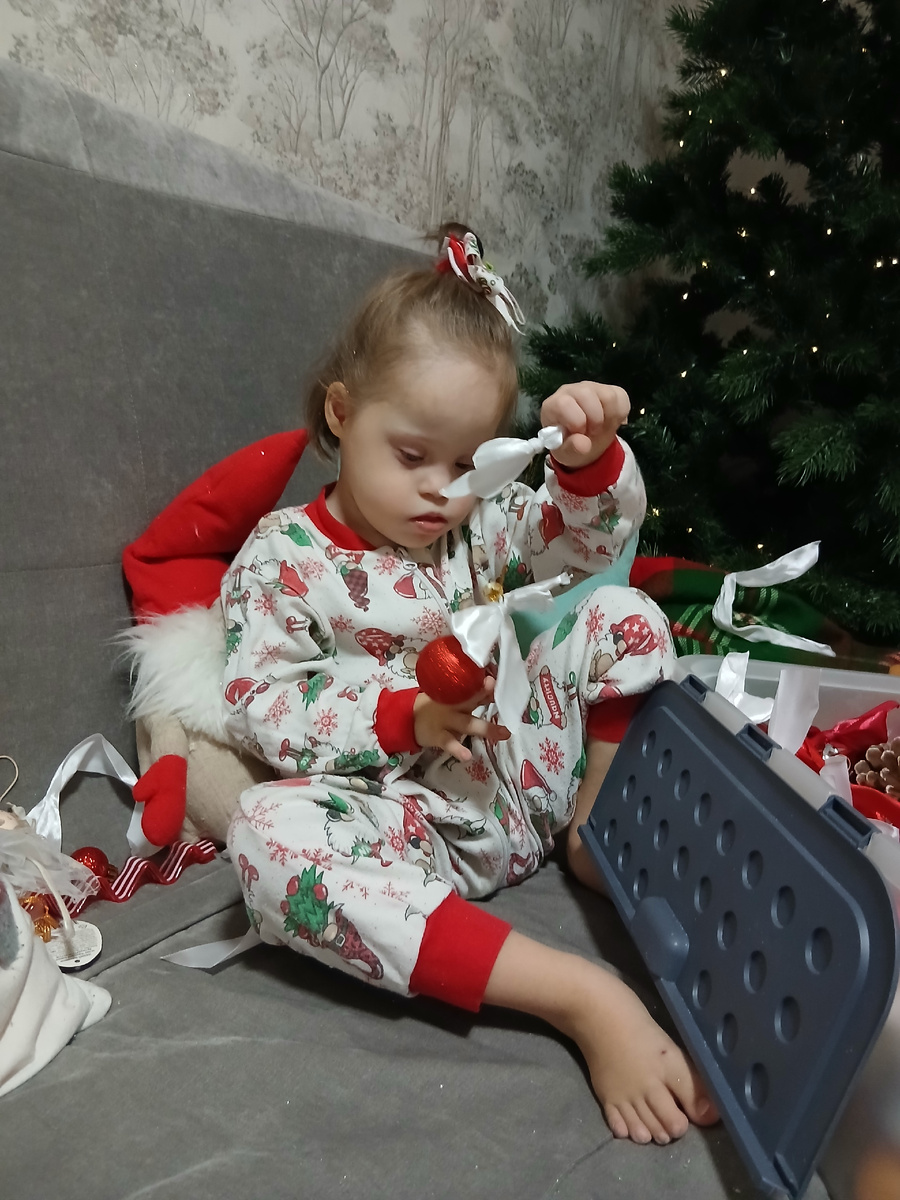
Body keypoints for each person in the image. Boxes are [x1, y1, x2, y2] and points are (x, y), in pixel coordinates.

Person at [220, 223, 718, 1146]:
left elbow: (582, 550)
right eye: (412, 456)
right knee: (263, 840)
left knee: (625, 616)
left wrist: (585, 465)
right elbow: (263, 706)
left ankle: (595, 836)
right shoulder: (282, 559)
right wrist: (404, 716)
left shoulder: (478, 519)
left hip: (532, 773)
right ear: (341, 413)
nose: (440, 493)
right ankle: (578, 996)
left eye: (468, 462)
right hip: (419, 825)